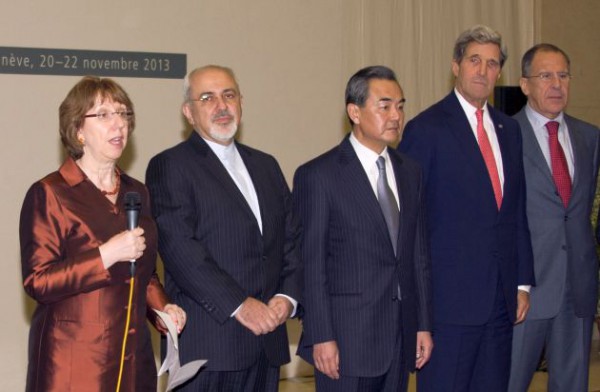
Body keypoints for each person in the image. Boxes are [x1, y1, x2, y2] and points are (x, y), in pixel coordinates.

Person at [19, 76, 186, 392]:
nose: (118, 124)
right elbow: (38, 281)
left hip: (134, 361)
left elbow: (144, 273)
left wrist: (162, 308)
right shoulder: (51, 193)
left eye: (123, 114)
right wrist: (105, 254)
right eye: (105, 115)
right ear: (78, 129)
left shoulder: (138, 192)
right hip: (74, 363)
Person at [145, 65, 302, 392]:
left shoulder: (267, 166)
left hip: (266, 346)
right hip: (207, 350)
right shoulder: (170, 166)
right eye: (207, 98)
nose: (221, 105)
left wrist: (287, 297)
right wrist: (240, 304)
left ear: (241, 103)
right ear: (189, 112)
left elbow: (291, 241)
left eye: (228, 95)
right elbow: (180, 250)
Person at [398, 25, 535, 391]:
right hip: (447, 307)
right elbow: (410, 223)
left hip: (501, 303)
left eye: (492, 64)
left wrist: (522, 283)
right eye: (474, 60)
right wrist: (418, 309)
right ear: (456, 66)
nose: (483, 70)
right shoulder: (425, 129)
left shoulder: (509, 129)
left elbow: (515, 212)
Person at [294, 65, 433, 392]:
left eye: (400, 106)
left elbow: (418, 256)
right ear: (354, 112)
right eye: (384, 106)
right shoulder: (319, 175)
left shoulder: (410, 172)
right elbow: (311, 264)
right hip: (345, 340)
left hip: (400, 336)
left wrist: (423, 324)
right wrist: (321, 335)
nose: (395, 115)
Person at [508, 43, 600, 392]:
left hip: (576, 286)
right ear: (524, 84)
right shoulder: (505, 135)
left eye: (563, 75)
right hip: (525, 288)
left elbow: (581, 211)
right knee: (510, 380)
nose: (556, 84)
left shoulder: (590, 137)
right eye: (545, 75)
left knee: (573, 383)